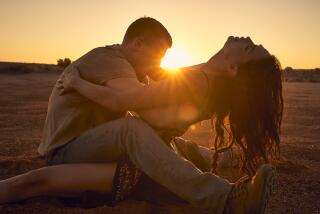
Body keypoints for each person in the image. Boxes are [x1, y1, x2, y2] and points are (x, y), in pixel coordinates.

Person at [0, 17, 283, 214]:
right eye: (157, 54)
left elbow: (169, 86)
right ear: (137, 44)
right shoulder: (109, 59)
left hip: (97, 151)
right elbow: (126, 99)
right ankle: (226, 199)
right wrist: (77, 84)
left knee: (174, 145)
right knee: (131, 129)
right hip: (68, 149)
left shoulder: (174, 74)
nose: (158, 65)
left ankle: (232, 159)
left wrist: (79, 85)